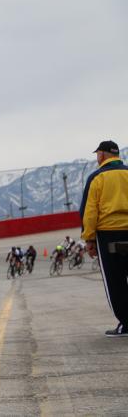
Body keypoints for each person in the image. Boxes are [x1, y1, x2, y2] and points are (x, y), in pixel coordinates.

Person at [80, 140, 128, 337]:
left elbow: (90, 210)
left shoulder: (96, 177)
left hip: (108, 234)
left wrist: (89, 238)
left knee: (115, 280)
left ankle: (126, 323)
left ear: (102, 155)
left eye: (97, 154)